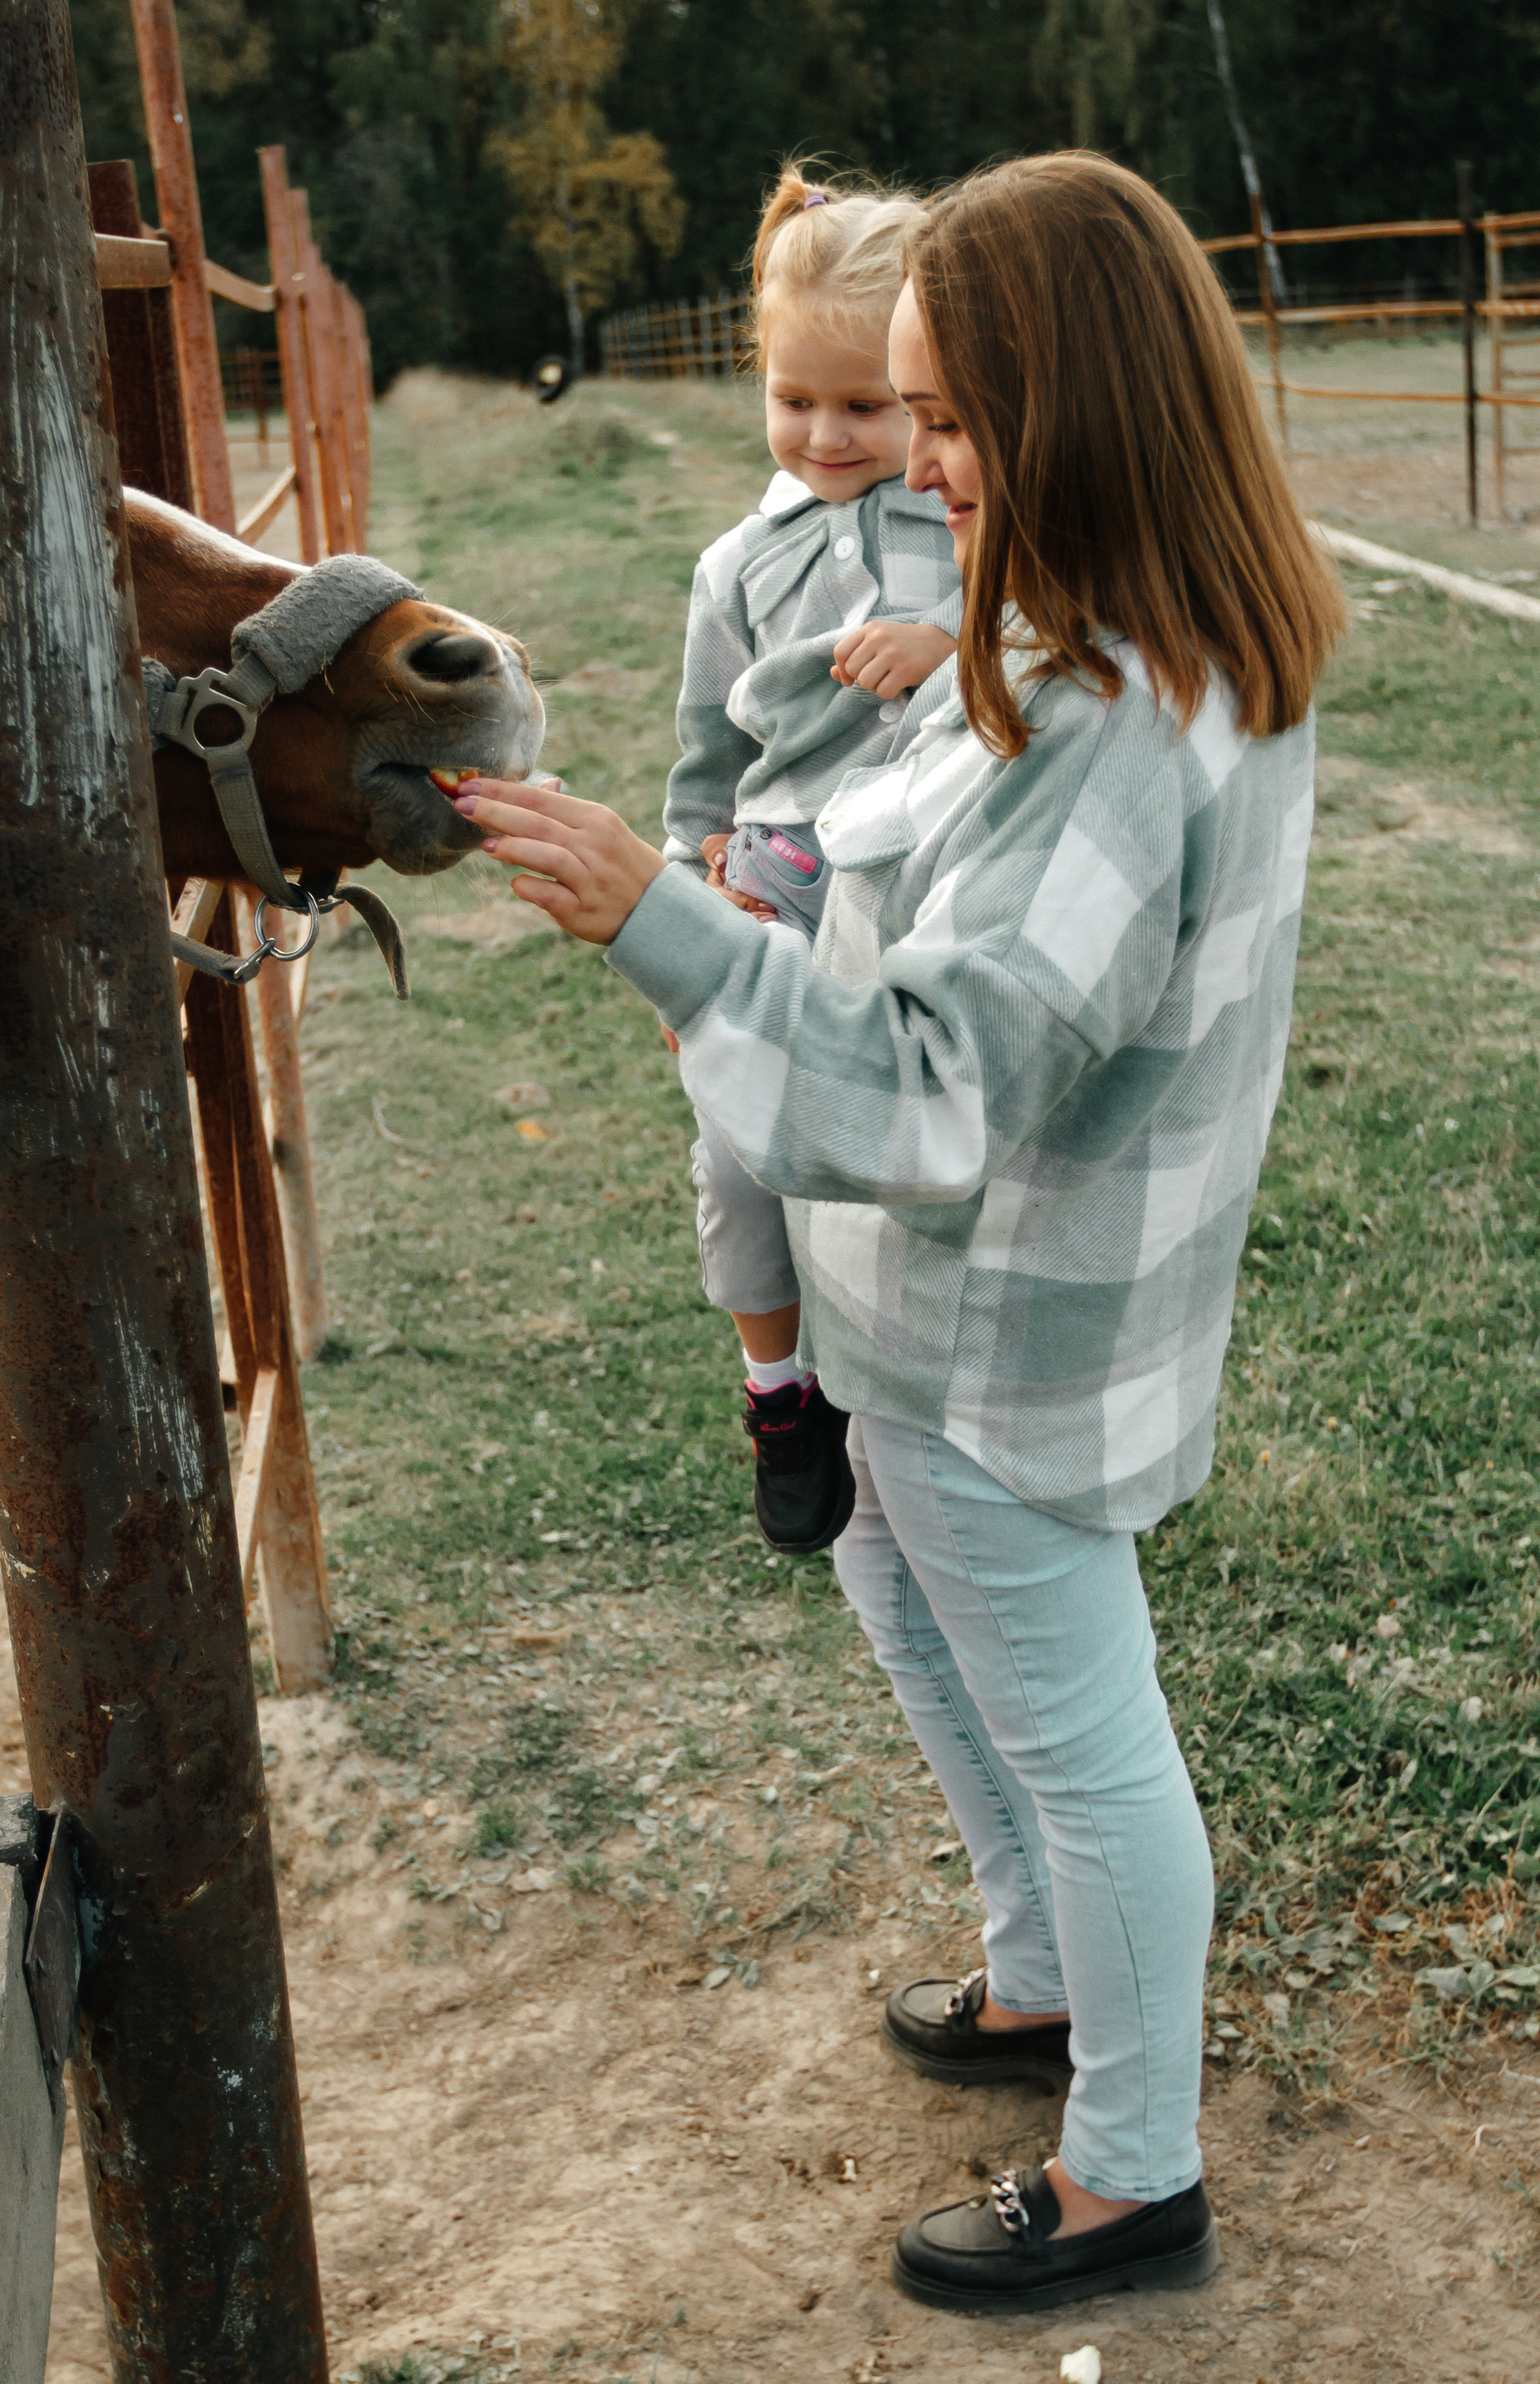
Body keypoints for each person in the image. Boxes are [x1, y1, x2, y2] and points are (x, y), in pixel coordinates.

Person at [454, 151, 1344, 2315]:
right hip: (915, 1315)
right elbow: (889, 848)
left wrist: (662, 925)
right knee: (906, 1600)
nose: (913, 458)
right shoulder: (1053, 637)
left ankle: (1137, 2171)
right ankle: (1043, 1981)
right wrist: (749, 881)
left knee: (1078, 1727)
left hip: (1003, 1325)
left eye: (947, 416)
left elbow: (948, 1081)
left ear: (1080, 404)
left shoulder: (1128, 717)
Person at [662, 163, 961, 1559]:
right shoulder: (736, 566)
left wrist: (956, 645)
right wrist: (691, 900)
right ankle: (779, 1392)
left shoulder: (974, 521)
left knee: (907, 1135)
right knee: (740, 1154)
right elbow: (700, 770)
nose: (826, 434)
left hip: (926, 876)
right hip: (780, 879)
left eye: (865, 403)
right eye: (793, 400)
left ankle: (904, 1377)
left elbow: (1064, 652)